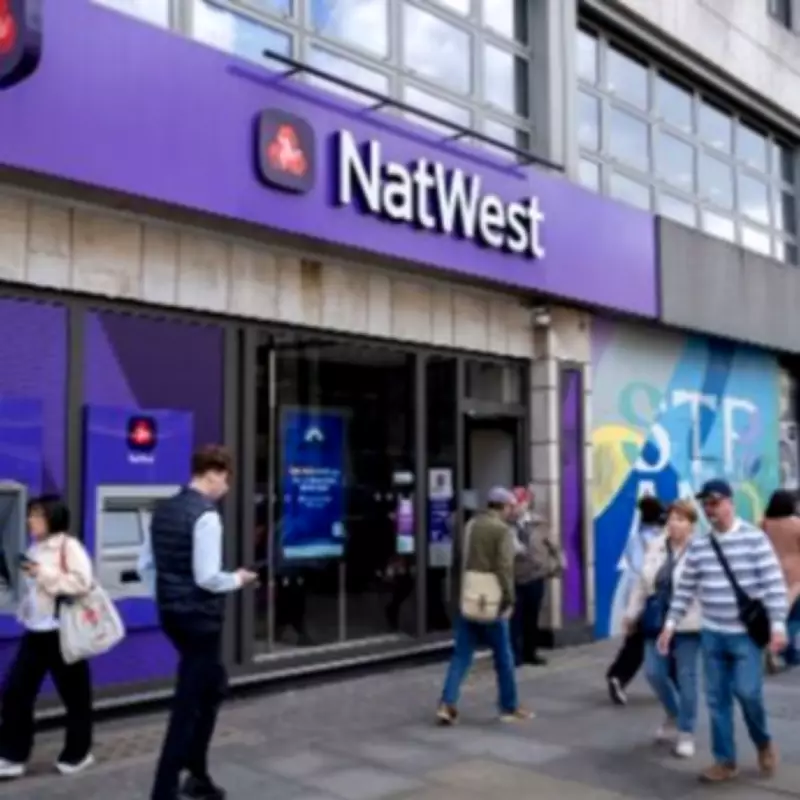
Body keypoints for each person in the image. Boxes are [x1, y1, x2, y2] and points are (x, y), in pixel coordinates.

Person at [140, 445, 258, 800]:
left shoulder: (163, 509)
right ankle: (164, 789)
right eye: (226, 479)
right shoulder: (206, 516)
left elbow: (145, 565)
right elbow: (207, 577)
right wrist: (238, 578)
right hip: (200, 619)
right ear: (214, 474)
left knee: (213, 686)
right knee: (188, 704)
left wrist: (166, 597)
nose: (227, 488)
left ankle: (198, 774)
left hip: (172, 614)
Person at [658, 479, 788, 783]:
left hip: (744, 636)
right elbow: (685, 588)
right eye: (706, 504)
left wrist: (778, 625)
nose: (709, 509)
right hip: (712, 634)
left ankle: (763, 741)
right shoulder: (701, 546)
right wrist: (670, 624)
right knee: (717, 700)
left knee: (748, 692)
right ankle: (725, 761)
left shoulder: (754, 539)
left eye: (715, 503)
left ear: (730, 503)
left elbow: (773, 583)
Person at [0, 495, 94, 779]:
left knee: (75, 697)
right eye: (30, 514)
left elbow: (82, 583)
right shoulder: (35, 547)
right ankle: (13, 755)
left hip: (62, 631)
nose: (30, 520)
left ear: (52, 517)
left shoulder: (69, 546)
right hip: (36, 631)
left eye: (37, 515)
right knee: (16, 692)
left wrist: (42, 572)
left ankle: (78, 753)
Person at [436, 487, 533, 725]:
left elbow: (461, 560)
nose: (512, 510)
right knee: (504, 657)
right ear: (504, 507)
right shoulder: (502, 530)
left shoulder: (471, 526)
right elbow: (504, 568)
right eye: (510, 506)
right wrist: (509, 599)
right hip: (492, 601)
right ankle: (509, 706)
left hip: (469, 597)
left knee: (461, 655)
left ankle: (447, 703)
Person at [625, 499, 700, 758]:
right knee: (654, 672)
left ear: (692, 525)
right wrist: (631, 613)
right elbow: (642, 583)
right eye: (671, 519)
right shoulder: (656, 545)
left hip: (689, 622)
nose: (674, 524)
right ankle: (674, 713)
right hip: (657, 620)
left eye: (681, 519)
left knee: (687, 677)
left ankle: (686, 732)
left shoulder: (700, 550)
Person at [606, 494, 665, 705]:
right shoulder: (660, 540)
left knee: (635, 642)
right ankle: (673, 684)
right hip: (654, 597)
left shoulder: (636, 538)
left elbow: (635, 570)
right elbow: (645, 571)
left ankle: (618, 676)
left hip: (637, 596)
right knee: (663, 642)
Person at [511, 486, 562, 667]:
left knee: (532, 616)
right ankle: (515, 654)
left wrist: (557, 563)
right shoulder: (506, 524)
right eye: (513, 503)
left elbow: (553, 544)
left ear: (527, 503)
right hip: (514, 576)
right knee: (515, 617)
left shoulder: (540, 523)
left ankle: (530, 652)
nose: (516, 507)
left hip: (535, 575)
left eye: (519, 503)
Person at [762, 489, 800, 669]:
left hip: (771, 572)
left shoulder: (764, 524)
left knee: (777, 613)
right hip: (795, 576)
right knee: (795, 617)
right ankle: (783, 651)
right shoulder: (796, 524)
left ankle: (781, 649)